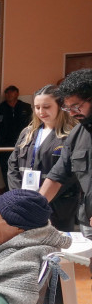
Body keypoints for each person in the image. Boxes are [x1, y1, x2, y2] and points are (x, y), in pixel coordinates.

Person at [7, 85, 79, 231]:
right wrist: (19, 195)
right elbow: (12, 165)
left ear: (60, 106)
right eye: (37, 107)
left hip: (58, 207)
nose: (41, 112)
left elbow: (70, 174)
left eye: (46, 107)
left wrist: (42, 198)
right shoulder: (28, 133)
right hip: (25, 203)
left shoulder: (72, 135)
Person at [41, 69, 92, 239]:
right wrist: (35, 207)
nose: (71, 113)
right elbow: (57, 176)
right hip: (88, 220)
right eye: (67, 108)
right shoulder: (77, 134)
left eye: (76, 106)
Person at [0, 85, 33, 185]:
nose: (9, 95)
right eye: (7, 93)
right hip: (5, 144)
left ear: (17, 94)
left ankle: (22, 190)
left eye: (12, 92)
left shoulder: (25, 107)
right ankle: (9, 190)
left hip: (23, 144)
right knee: (6, 168)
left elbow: (33, 124)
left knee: (23, 167)